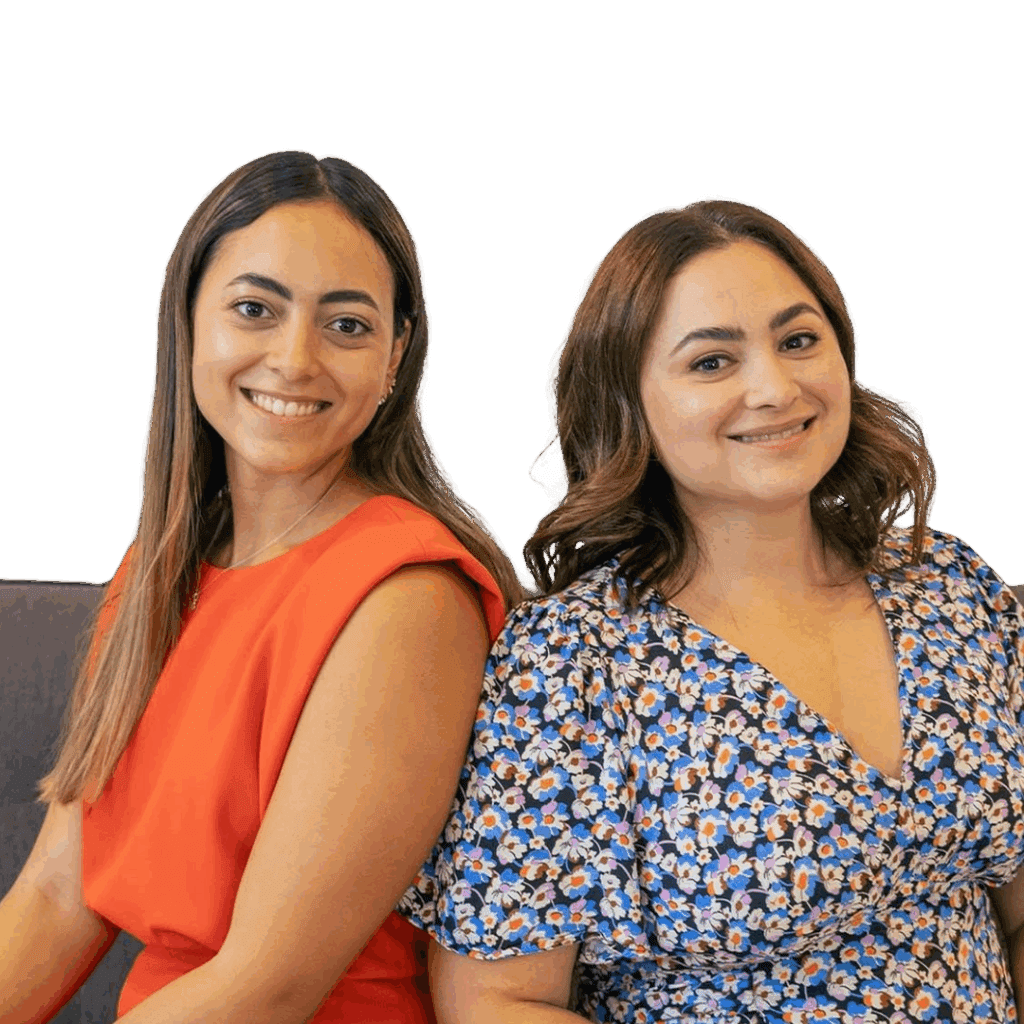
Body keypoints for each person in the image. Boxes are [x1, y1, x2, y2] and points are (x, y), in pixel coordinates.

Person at [397, 198, 1024, 1022]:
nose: (774, 388)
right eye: (711, 362)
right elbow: (497, 1002)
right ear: (629, 404)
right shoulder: (570, 662)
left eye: (798, 341)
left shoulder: (949, 586)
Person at [0, 150, 522, 1023]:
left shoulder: (410, 600)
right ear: (188, 322)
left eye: (346, 325)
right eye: (255, 309)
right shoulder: (160, 570)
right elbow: (56, 898)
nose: (294, 358)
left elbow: (267, 985)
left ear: (395, 358)